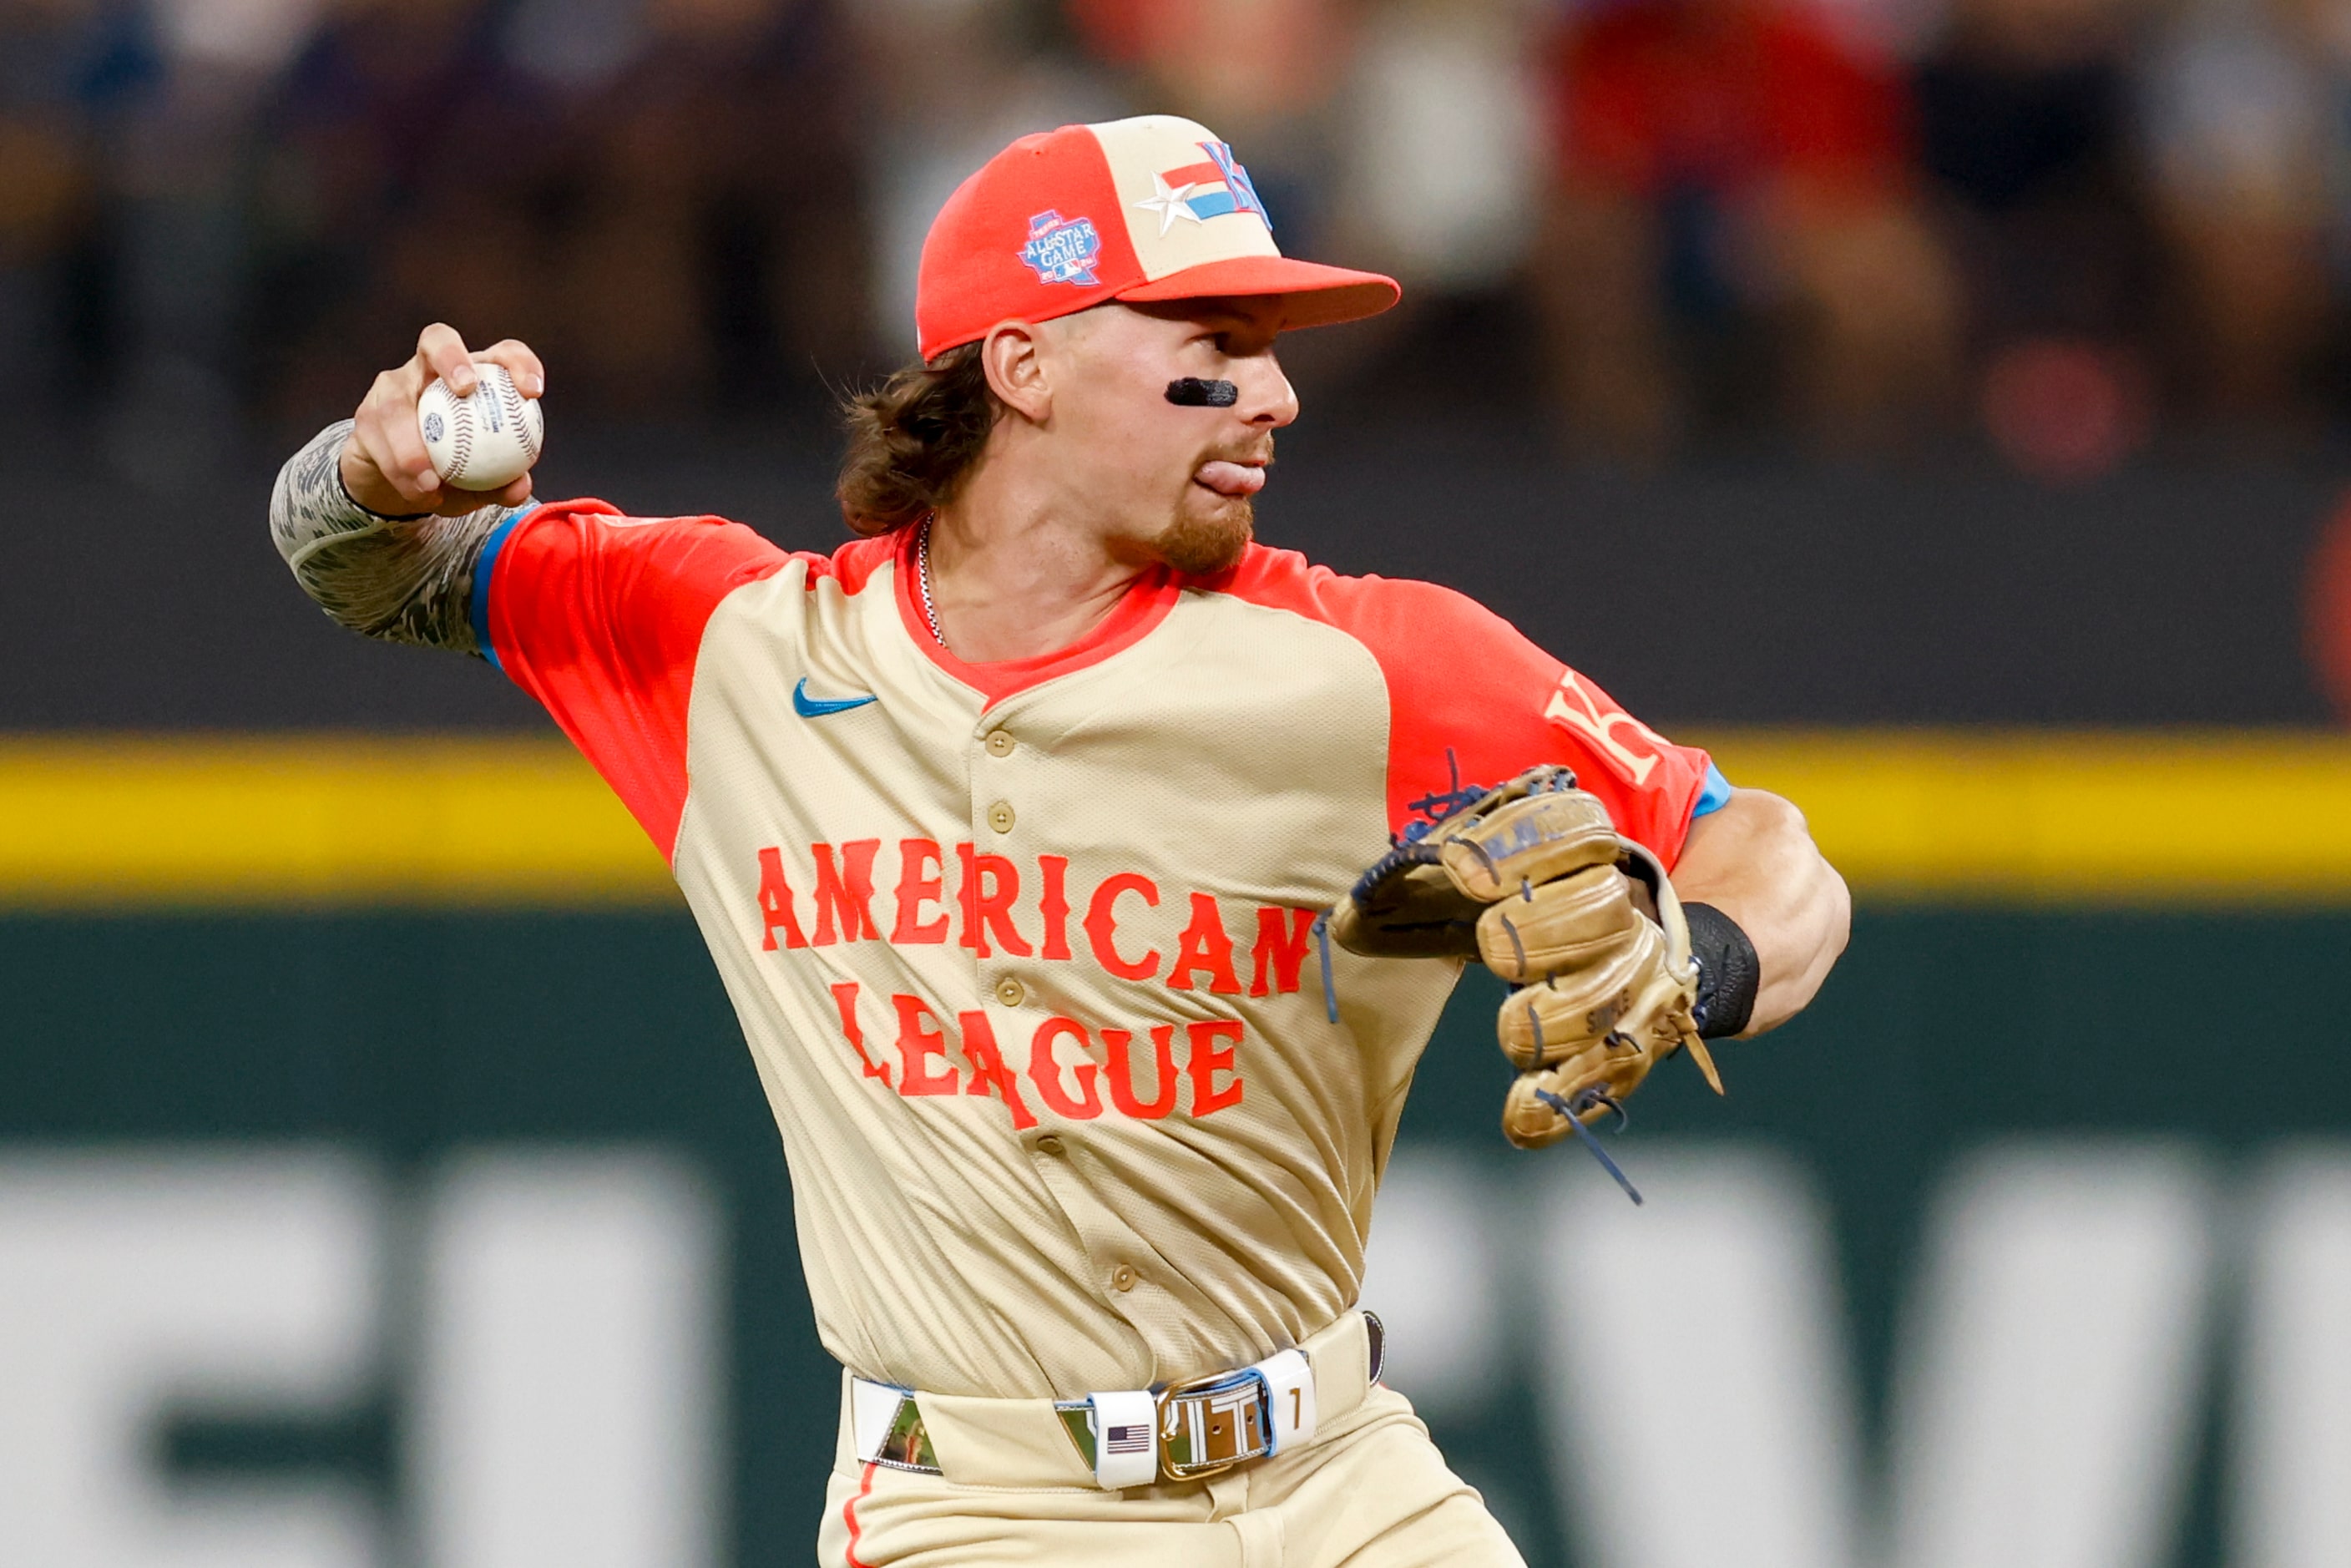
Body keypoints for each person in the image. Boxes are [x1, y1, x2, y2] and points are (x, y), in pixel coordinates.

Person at [269, 114, 1848, 1566]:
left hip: (1347, 1486)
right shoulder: (731, 647)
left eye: (1273, 350)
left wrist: (1694, 959)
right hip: (982, 1507)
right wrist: (368, 468)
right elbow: (363, 563)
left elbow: (1765, 852)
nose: (1276, 394)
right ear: (1022, 362)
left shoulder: (1371, 666)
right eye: (1215, 345)